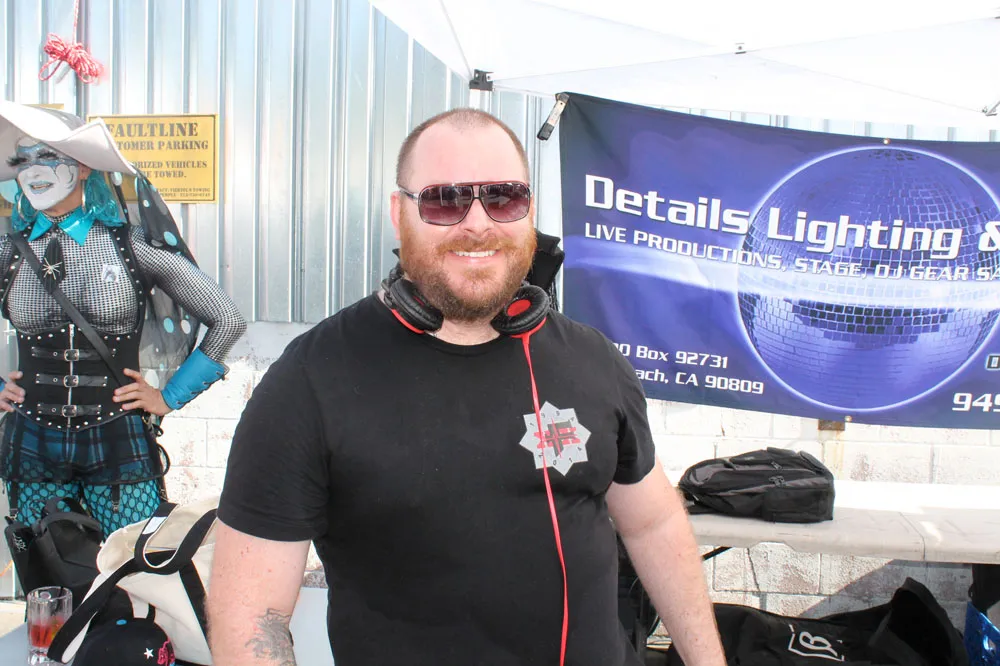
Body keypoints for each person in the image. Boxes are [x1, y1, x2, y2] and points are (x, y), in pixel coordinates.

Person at [208, 108, 725, 666]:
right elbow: (250, 614)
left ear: (529, 212)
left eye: (504, 197)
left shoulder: (594, 360)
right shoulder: (310, 381)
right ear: (398, 213)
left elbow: (652, 524)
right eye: (444, 200)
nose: (477, 224)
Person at [0, 101, 246, 538]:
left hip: (117, 438)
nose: (33, 170)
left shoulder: (132, 246)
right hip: (32, 441)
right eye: (22, 160)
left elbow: (227, 319)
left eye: (48, 156)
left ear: (83, 168)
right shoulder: (7, 252)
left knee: (128, 566)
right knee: (46, 567)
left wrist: (169, 397)